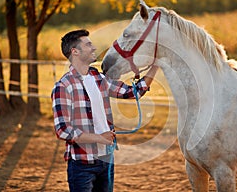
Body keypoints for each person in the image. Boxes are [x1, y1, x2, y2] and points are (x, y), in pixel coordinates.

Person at [51, 29, 158, 192]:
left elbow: (132, 92)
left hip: (106, 160)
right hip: (82, 165)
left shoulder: (98, 78)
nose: (94, 48)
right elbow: (63, 130)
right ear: (75, 52)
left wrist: (156, 66)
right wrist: (98, 138)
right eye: (88, 44)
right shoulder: (63, 87)